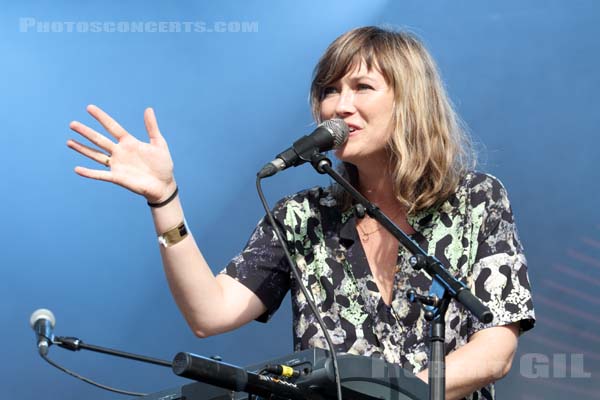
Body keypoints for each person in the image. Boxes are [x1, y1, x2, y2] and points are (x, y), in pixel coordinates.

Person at [67, 26, 535, 400]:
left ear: (410, 100)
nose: (340, 105)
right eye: (330, 90)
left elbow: (495, 349)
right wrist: (164, 198)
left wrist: (391, 394)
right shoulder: (302, 217)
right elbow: (209, 313)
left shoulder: (475, 199)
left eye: (362, 87)